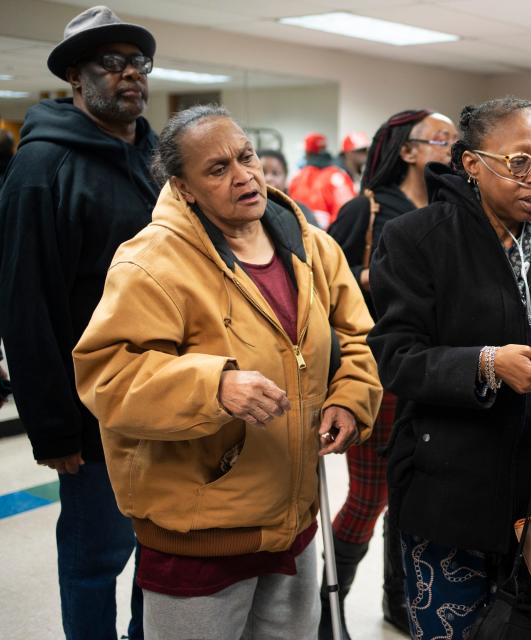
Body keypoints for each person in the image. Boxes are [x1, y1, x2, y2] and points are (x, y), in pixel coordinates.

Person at [72, 104, 383, 640]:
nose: (244, 175)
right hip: (198, 534)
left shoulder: (311, 246)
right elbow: (110, 375)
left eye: (247, 157)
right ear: (183, 187)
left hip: (293, 520)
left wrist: (350, 397)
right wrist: (212, 386)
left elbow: (358, 337)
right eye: (217, 169)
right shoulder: (150, 262)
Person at [368, 96, 531, 637]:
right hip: (448, 484)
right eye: (519, 162)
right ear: (472, 164)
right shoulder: (416, 239)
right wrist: (489, 364)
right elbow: (395, 357)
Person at [0, 6, 158, 638]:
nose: (129, 75)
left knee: (165, 555)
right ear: (74, 75)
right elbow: (24, 304)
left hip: (172, 395)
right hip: (93, 410)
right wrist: (53, 429)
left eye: (138, 63)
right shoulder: (41, 170)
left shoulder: (158, 161)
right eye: (110, 63)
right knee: (97, 558)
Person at [324, 108, 457, 638]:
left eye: (455, 139)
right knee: (367, 499)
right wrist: (369, 276)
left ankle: (399, 602)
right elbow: (322, 287)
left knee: (413, 499)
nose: (451, 148)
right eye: (441, 139)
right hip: (376, 378)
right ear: (407, 150)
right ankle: (327, 612)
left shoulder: (453, 210)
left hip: (436, 376)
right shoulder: (368, 209)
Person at [288, 132, 357, 227]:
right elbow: (350, 212)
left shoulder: (297, 178)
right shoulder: (338, 176)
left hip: (301, 236)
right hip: (332, 238)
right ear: (325, 148)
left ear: (307, 152)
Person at [259, 148, 320, 226]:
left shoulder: (300, 211)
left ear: (285, 178)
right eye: (263, 172)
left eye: (275, 173)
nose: (269, 178)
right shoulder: (250, 211)